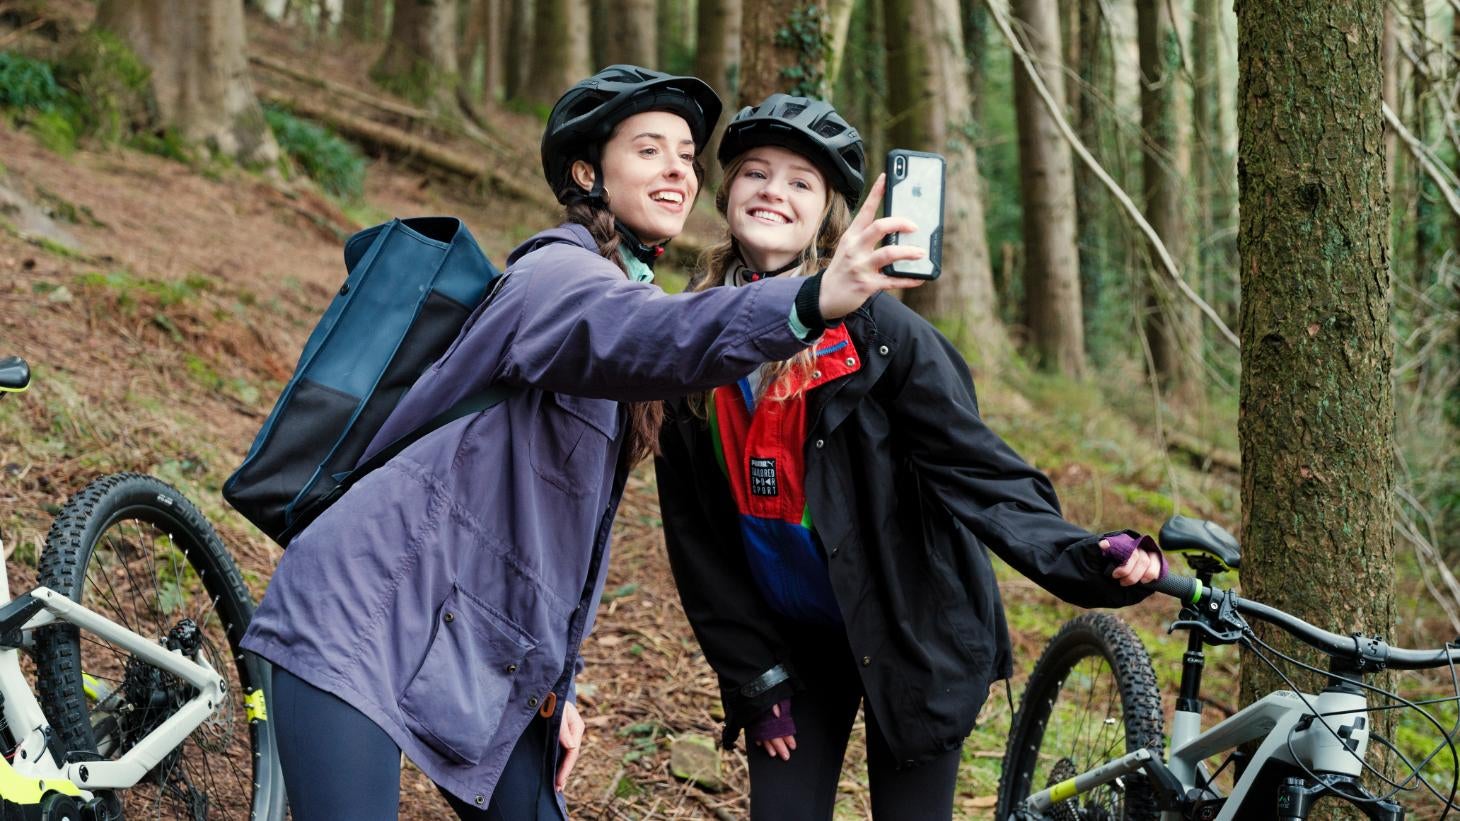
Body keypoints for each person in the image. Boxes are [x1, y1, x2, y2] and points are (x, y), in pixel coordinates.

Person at [240, 68, 927, 821]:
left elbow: (556, 541)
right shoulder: (556, 275)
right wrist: (811, 298)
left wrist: (551, 686)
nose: (678, 170)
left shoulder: (615, 292)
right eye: (649, 150)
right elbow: (662, 335)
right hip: (357, 615)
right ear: (586, 173)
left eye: (687, 156)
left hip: (463, 646)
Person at [654, 93, 1166, 821]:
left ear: (829, 214)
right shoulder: (687, 340)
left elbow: (980, 471)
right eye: (756, 173)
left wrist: (1085, 556)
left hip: (912, 629)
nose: (773, 191)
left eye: (800, 182)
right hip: (794, 643)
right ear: (728, 192)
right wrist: (753, 676)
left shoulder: (885, 337)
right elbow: (697, 539)